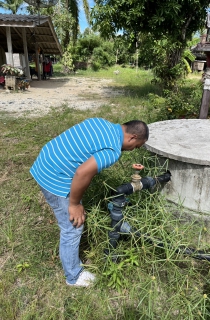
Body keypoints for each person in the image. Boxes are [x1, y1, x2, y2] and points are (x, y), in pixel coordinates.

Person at [30, 117, 149, 287]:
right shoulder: (112, 150)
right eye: (135, 147)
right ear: (133, 137)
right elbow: (82, 173)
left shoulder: (101, 122)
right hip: (54, 177)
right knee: (73, 226)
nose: (131, 150)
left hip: (45, 159)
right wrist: (74, 204)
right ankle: (73, 276)